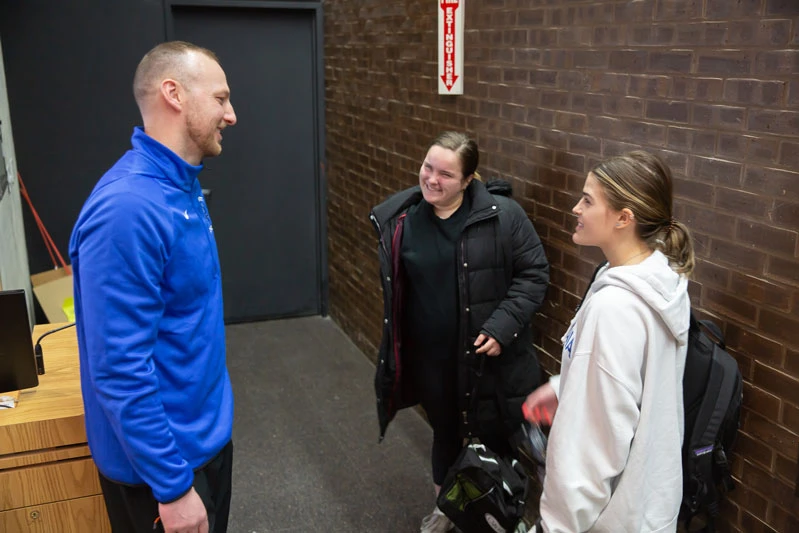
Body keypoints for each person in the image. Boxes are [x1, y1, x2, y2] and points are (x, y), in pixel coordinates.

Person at [69, 41, 237, 533]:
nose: (231, 115)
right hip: (164, 474)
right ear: (174, 93)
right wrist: (172, 486)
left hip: (205, 441)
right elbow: (119, 368)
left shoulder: (180, 185)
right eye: (221, 98)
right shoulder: (128, 208)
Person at [370, 132, 550, 533]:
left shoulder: (502, 216)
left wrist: (503, 325)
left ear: (469, 180)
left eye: (446, 175)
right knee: (445, 435)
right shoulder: (402, 220)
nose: (432, 180)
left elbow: (535, 274)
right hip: (432, 360)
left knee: (494, 440)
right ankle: (448, 509)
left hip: (488, 361)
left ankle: (498, 518)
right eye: (427, 168)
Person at [524, 151, 694, 532]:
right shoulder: (660, 277)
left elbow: (593, 449)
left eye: (587, 200)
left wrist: (554, 526)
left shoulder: (616, 306)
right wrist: (564, 385)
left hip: (610, 518)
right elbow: (628, 382)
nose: (575, 208)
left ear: (623, 217)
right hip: (647, 506)